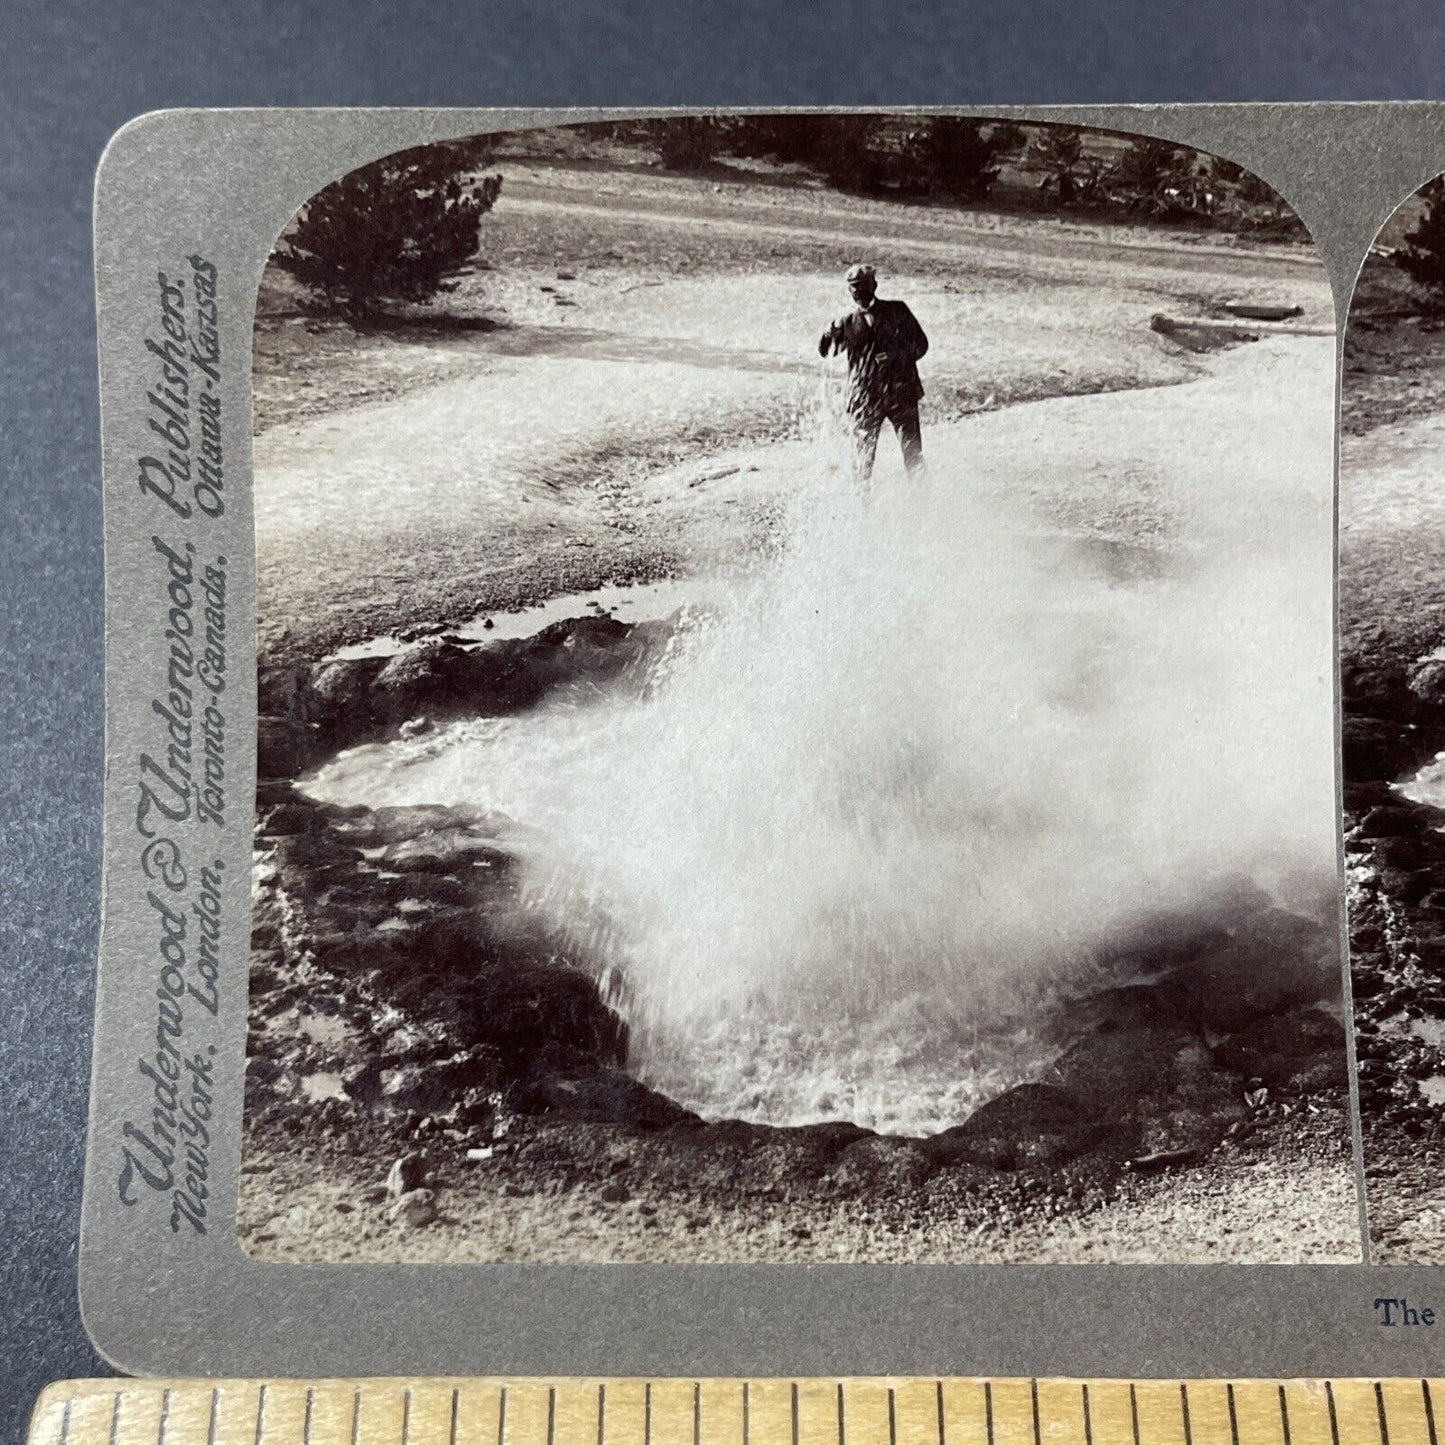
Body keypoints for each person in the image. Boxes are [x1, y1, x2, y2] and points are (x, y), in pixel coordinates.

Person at [819, 263, 929, 481]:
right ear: (849, 291)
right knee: (862, 462)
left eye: (863, 285)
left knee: (913, 455)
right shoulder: (846, 323)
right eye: (853, 287)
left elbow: (921, 345)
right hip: (865, 399)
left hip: (901, 395)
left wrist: (894, 358)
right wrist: (828, 334)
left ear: (874, 285)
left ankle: (923, 506)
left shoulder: (898, 311)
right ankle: (862, 511)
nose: (858, 291)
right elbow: (826, 352)